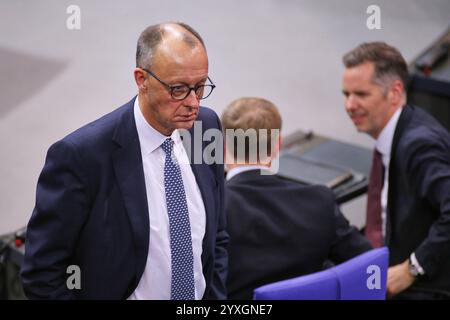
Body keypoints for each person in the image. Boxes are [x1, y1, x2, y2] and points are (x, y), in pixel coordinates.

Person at [21, 22, 228, 300]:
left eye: (200, 86)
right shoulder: (81, 157)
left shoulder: (206, 128)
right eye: (178, 89)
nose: (193, 102)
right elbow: (42, 273)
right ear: (142, 79)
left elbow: (218, 237)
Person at [221, 97, 372, 300]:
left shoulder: (207, 210)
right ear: (278, 145)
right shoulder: (319, 203)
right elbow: (368, 264)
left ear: (223, 146)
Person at [342, 42, 450, 299]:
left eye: (361, 94)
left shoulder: (419, 145)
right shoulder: (397, 135)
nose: (349, 105)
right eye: (345, 94)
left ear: (395, 92)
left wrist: (413, 268)